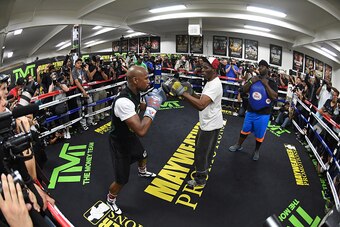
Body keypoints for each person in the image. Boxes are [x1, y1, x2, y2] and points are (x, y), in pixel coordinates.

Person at [107, 66, 166, 214]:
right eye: (145, 78)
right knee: (121, 180)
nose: (148, 80)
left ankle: (142, 172)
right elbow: (141, 130)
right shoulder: (123, 102)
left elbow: (140, 106)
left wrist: (152, 99)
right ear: (135, 80)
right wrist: (153, 108)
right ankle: (110, 199)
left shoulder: (136, 92)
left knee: (143, 155)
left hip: (129, 135)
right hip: (119, 142)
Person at [162, 57, 223, 188]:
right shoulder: (210, 82)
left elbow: (201, 105)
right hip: (209, 122)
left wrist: (183, 93)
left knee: (201, 152)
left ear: (214, 69)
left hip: (210, 125)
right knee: (205, 150)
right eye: (203, 67)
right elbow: (202, 99)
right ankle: (203, 170)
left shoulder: (215, 84)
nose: (203, 70)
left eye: (206, 68)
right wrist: (191, 92)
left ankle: (200, 179)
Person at [229, 60, 278, 161]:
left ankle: (256, 150)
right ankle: (238, 144)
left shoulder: (272, 82)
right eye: (259, 66)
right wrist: (251, 81)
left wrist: (266, 84)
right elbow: (243, 90)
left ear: (267, 68)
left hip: (263, 113)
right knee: (244, 130)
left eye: (263, 66)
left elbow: (274, 97)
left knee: (259, 135)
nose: (260, 68)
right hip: (251, 111)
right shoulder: (254, 79)